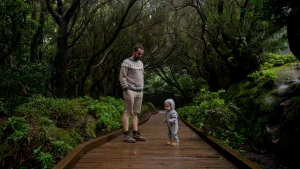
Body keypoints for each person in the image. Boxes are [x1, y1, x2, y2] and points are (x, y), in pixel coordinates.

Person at [119, 43, 146, 143]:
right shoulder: (126, 62)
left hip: (139, 91)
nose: (140, 56)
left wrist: (142, 88)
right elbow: (122, 77)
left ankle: (136, 133)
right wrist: (126, 89)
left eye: (141, 54)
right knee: (127, 112)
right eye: (139, 53)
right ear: (134, 52)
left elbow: (142, 76)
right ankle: (126, 135)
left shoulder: (141, 63)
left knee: (135, 113)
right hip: (129, 90)